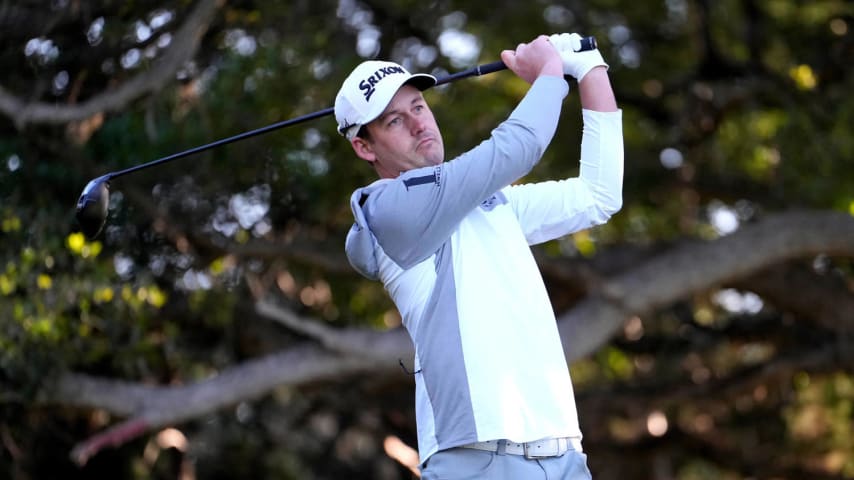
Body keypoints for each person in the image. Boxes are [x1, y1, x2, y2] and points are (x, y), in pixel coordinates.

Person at [334, 32, 622, 479]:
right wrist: (549, 72)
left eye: (418, 107)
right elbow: (517, 148)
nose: (418, 125)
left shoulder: (493, 204)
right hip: (477, 462)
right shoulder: (389, 212)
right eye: (393, 122)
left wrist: (589, 69)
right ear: (364, 147)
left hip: (564, 456)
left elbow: (599, 195)